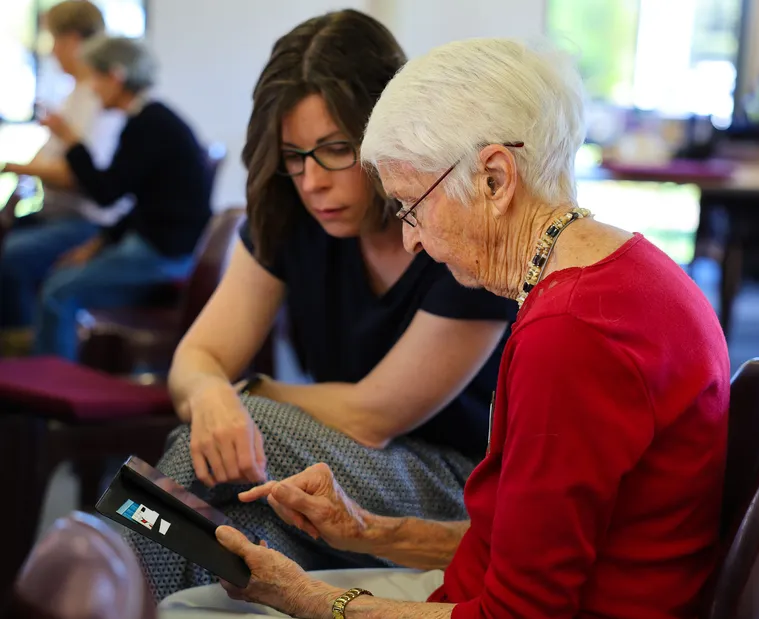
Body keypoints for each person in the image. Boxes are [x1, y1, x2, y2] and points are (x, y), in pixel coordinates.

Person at [175, 37, 730, 619]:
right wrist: (364, 529)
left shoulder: (570, 336)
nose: (411, 238)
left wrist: (310, 599)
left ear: (494, 179)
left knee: (191, 610)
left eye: (412, 205)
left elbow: (515, 615)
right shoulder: (630, 271)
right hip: (476, 592)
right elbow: (525, 549)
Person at [133, 10, 515, 601]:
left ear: (390, 135)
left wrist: (244, 392)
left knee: (218, 445)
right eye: (293, 155)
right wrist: (210, 394)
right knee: (238, 534)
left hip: (457, 486)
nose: (311, 180)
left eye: (336, 149)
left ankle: (111, 588)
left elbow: (374, 415)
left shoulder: (453, 228)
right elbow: (198, 358)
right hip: (332, 465)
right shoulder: (293, 215)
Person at [4, 36, 212, 360]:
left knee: (58, 291)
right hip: (158, 245)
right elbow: (143, 203)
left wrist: (71, 139)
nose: (92, 90)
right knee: (58, 277)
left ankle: (50, 394)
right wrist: (100, 242)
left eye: (95, 80)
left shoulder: (149, 125)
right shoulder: (150, 120)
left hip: (163, 256)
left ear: (115, 76)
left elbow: (105, 192)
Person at [0, 0, 132, 356]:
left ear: (74, 40)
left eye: (55, 40)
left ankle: (26, 354)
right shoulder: (78, 94)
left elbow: (86, 176)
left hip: (87, 222)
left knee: (12, 255)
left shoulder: (101, 97)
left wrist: (17, 167)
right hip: (61, 215)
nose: (52, 50)